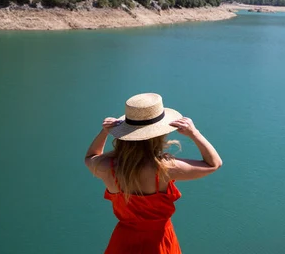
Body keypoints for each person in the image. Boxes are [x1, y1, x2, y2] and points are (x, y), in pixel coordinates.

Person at [84, 93, 223, 254]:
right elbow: (214, 164)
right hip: (159, 243)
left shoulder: (108, 167)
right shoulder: (164, 168)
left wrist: (105, 132)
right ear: (158, 135)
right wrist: (194, 133)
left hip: (123, 243)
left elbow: (90, 157)